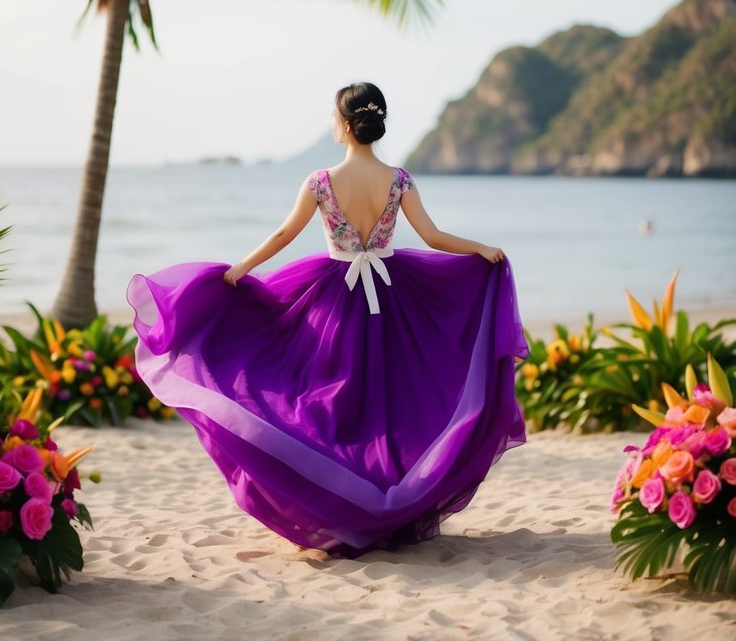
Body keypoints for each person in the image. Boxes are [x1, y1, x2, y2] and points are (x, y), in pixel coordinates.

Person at [126, 82, 528, 558]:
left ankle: (340, 509)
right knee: (390, 406)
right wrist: (481, 249)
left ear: (343, 123)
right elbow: (434, 236)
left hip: (334, 297)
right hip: (393, 298)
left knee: (328, 403)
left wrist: (241, 269)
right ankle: (392, 507)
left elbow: (283, 234)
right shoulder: (399, 179)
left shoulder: (320, 181)